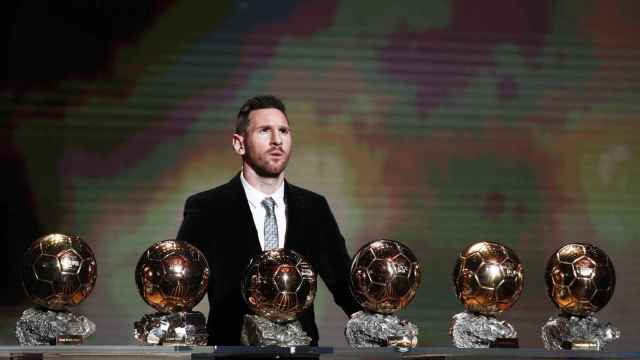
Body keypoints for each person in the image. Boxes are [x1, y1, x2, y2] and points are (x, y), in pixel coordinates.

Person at [176, 95, 361, 346]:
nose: (277, 140)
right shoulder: (207, 208)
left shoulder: (314, 208)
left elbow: (343, 283)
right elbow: (182, 288)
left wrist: (376, 323)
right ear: (239, 144)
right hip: (230, 354)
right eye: (265, 131)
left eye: (283, 131)